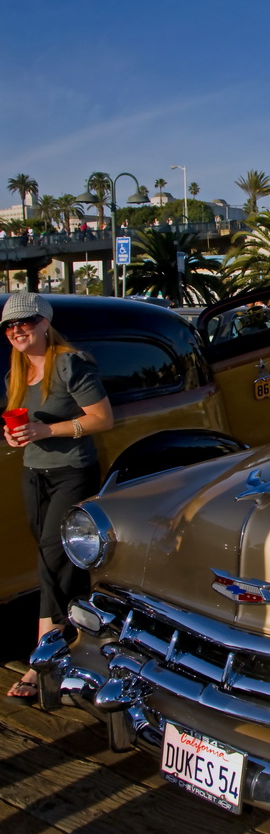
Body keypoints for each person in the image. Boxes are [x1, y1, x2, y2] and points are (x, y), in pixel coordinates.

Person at [2, 292, 114, 702]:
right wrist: (17, 436)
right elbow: (22, 424)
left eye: (25, 322)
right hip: (33, 473)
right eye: (10, 326)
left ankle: (40, 660)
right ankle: (85, 636)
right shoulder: (16, 373)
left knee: (51, 556)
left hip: (72, 471)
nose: (17, 331)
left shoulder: (70, 361)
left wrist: (47, 431)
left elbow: (103, 418)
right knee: (55, 560)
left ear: (45, 323)